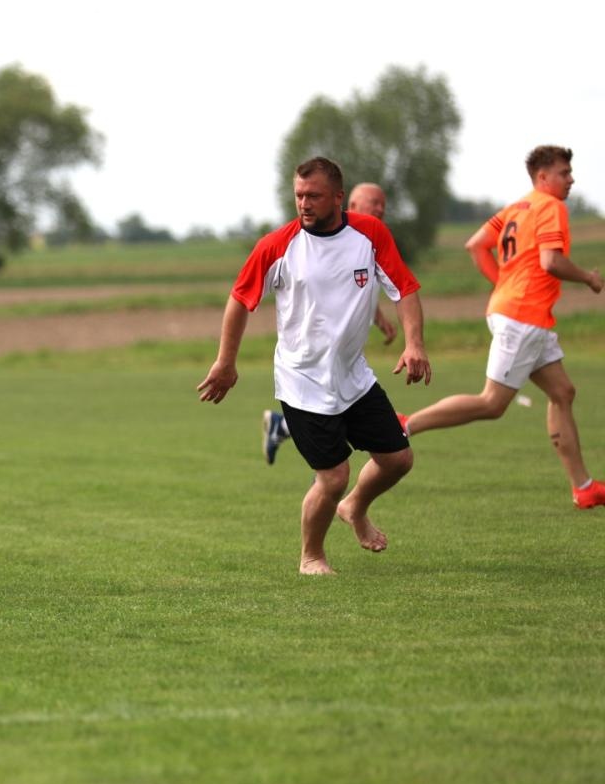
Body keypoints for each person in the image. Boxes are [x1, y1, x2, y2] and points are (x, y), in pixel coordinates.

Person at [199, 157, 431, 575]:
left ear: (339, 198)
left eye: (314, 196)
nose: (304, 203)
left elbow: (405, 288)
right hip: (302, 380)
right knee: (334, 475)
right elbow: (239, 300)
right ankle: (312, 557)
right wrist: (225, 362)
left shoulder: (370, 234)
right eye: (299, 195)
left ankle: (355, 508)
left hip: (353, 376)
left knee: (398, 459)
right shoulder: (277, 245)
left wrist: (414, 343)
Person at [399, 145, 605, 509]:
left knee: (563, 392)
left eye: (570, 172)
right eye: (564, 172)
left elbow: (476, 245)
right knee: (492, 403)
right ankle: (405, 424)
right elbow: (552, 262)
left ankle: (584, 487)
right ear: (543, 177)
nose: (571, 179)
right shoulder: (550, 206)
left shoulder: (516, 208)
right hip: (523, 317)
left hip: (523, 315)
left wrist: (501, 285)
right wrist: (588, 277)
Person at [262, 180, 398, 462]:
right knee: (332, 465)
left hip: (347, 363)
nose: (381, 208)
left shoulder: (371, 239)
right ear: (350, 205)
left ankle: (281, 428)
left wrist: (379, 317)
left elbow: (358, 289)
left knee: (382, 454)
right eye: (374, 203)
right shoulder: (317, 243)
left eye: (383, 204)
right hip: (308, 365)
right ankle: (334, 491)